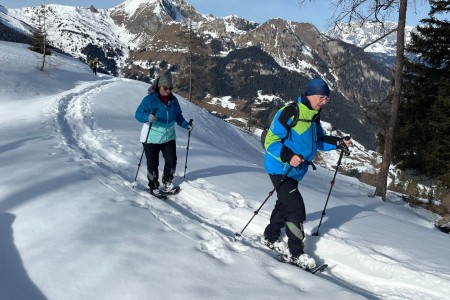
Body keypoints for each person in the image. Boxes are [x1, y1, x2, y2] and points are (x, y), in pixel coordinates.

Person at [262, 77, 352, 269]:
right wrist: (288, 156)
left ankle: (270, 236)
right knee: (295, 208)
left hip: (295, 171)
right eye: (321, 97)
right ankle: (296, 253)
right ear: (310, 94)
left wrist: (338, 142)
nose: (324, 102)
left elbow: (318, 140)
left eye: (326, 99)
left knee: (285, 203)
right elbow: (270, 141)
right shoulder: (290, 112)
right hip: (279, 167)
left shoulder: (313, 115)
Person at [135, 71, 193, 198]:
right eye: (165, 88)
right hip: (151, 136)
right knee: (152, 163)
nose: (168, 90)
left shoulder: (173, 100)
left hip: (168, 136)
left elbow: (177, 116)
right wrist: (148, 116)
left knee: (172, 160)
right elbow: (138, 114)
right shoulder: (149, 99)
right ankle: (154, 186)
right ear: (158, 87)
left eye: (170, 88)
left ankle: (167, 182)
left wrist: (185, 124)